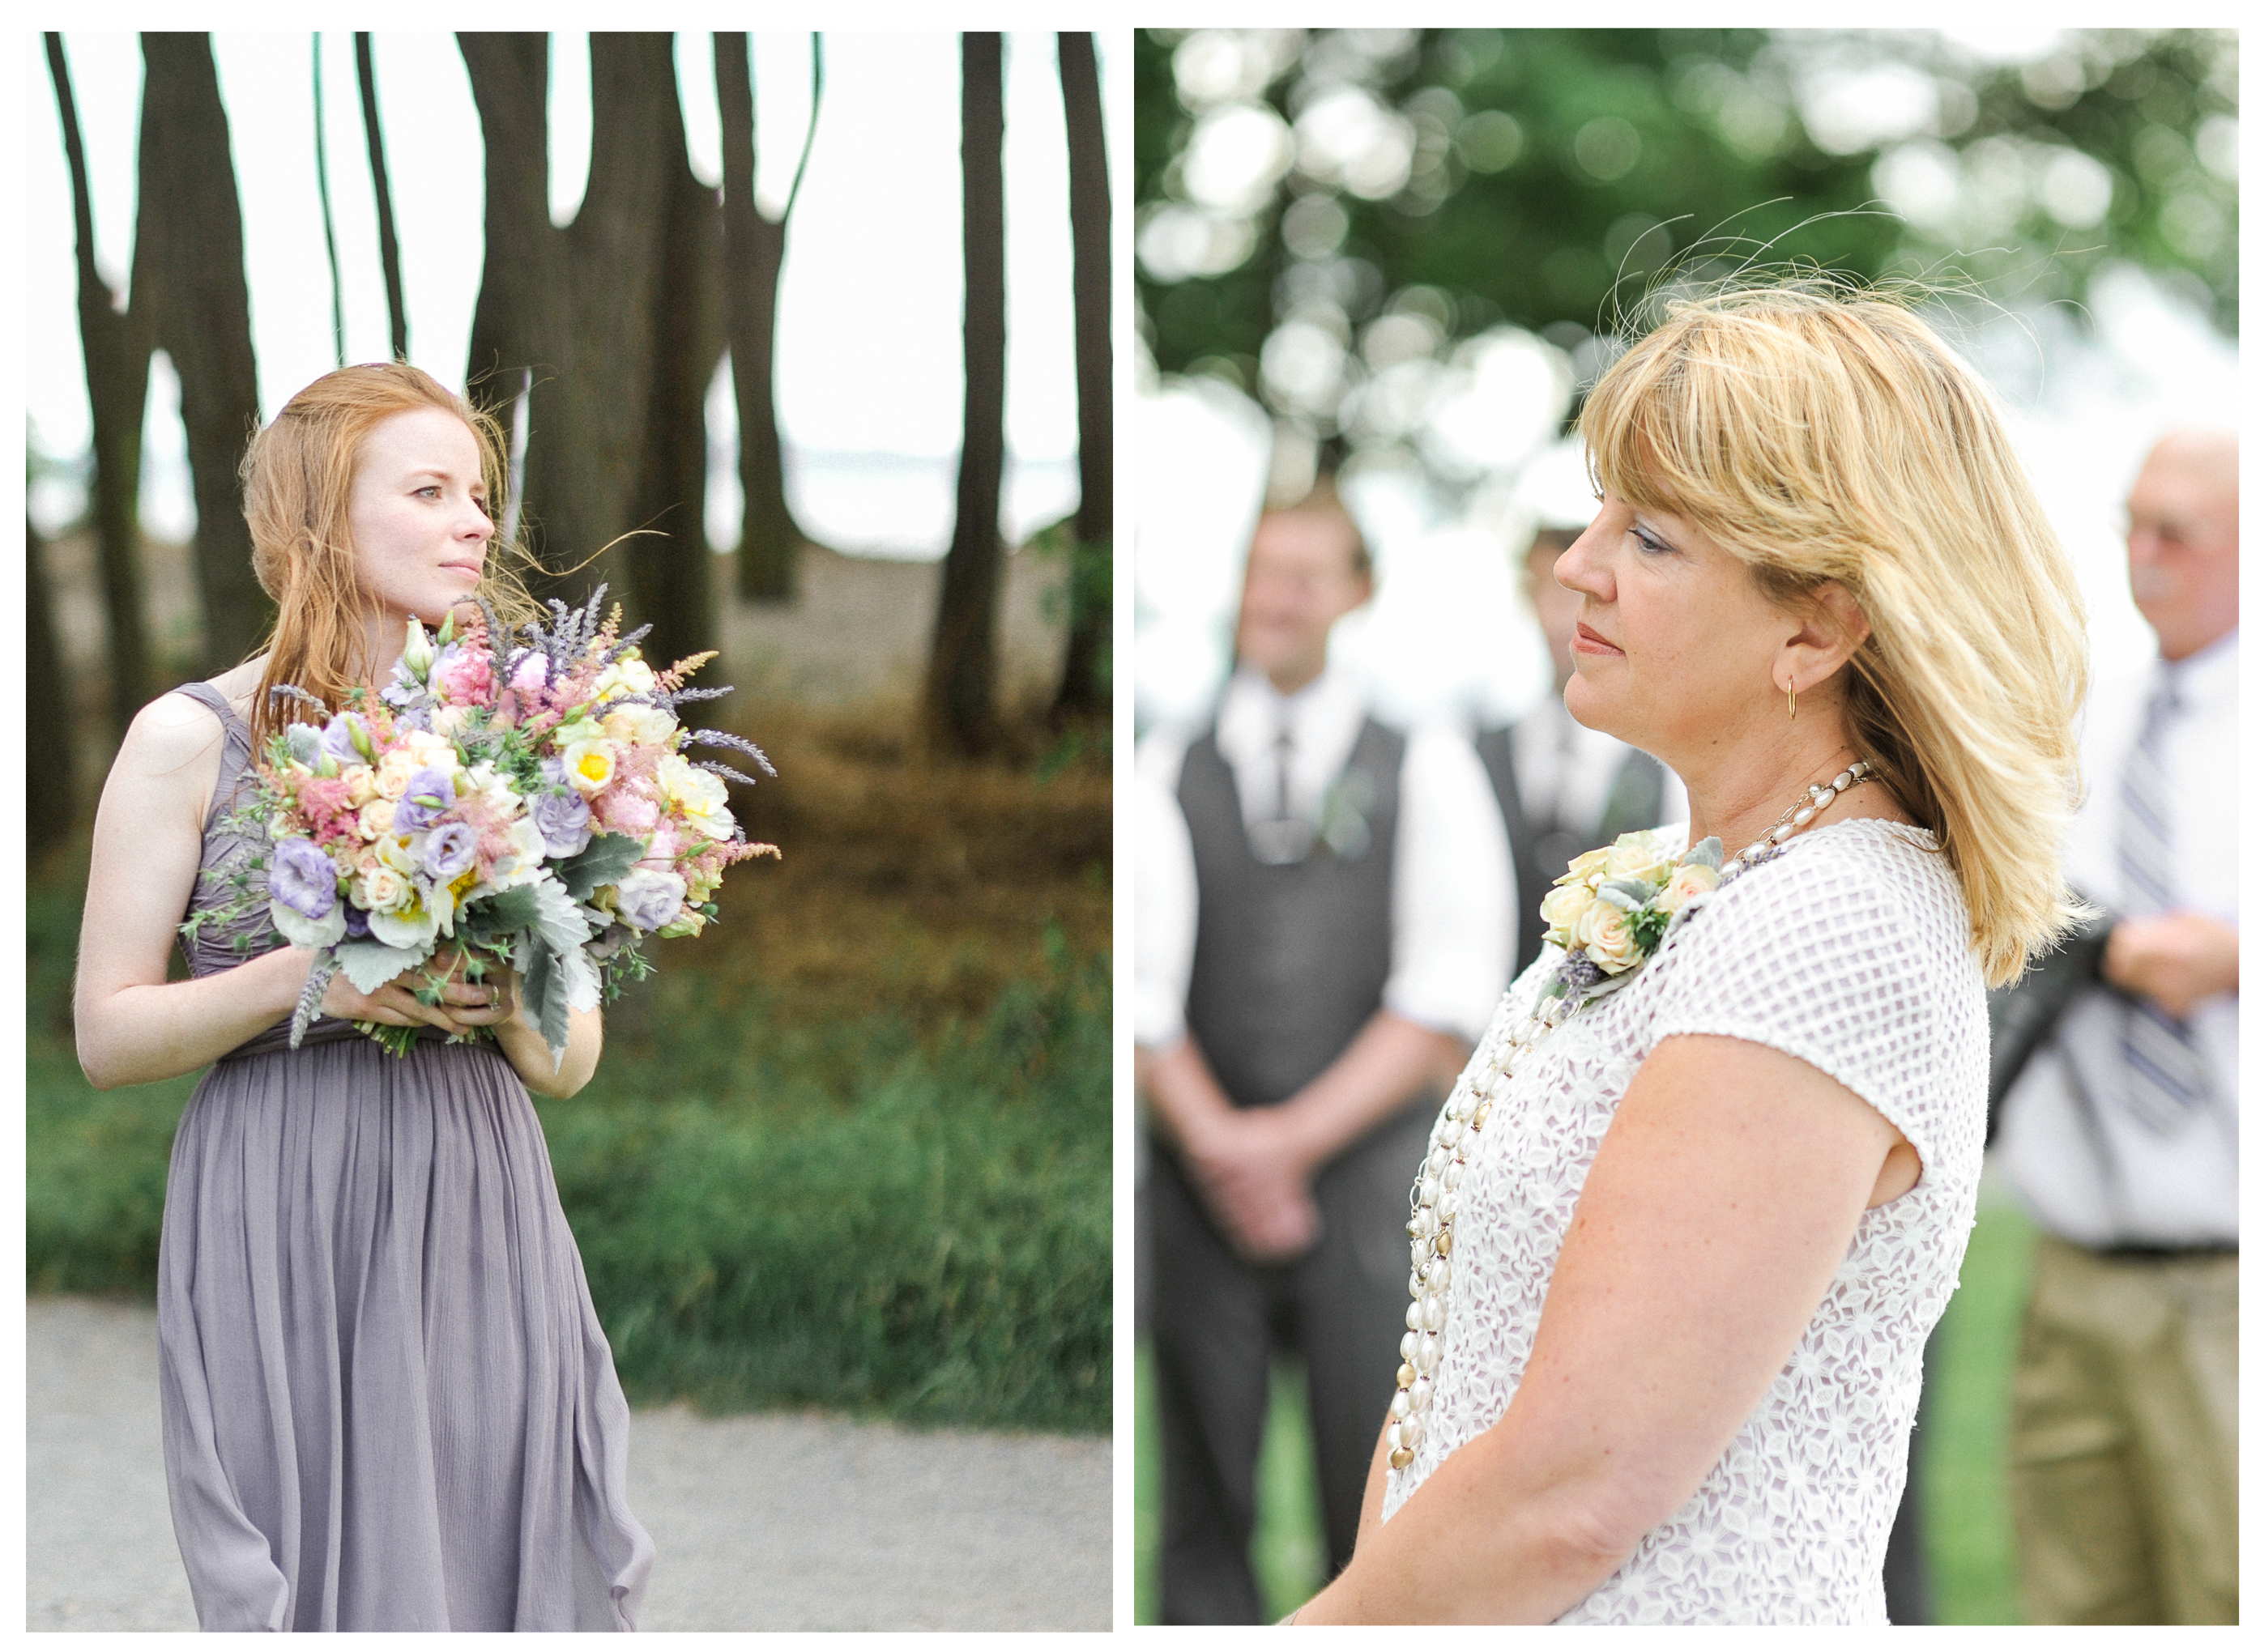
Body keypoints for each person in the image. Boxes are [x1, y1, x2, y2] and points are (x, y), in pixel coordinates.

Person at [1287, 282, 2088, 1624]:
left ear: (1818, 628)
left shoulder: (1833, 927)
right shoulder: (1702, 883)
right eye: (1600, 513)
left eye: (1649, 536)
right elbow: (1462, 1381)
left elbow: (1569, 1497)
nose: (1575, 566)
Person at [74, 363, 655, 1630]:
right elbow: (107, 1034)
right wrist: (318, 979)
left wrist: (495, 987)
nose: (477, 524)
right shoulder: (186, 741)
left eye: (482, 495)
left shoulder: (524, 746)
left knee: (493, 1561)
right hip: (281, 1194)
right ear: (321, 515)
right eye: (432, 490)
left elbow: (569, 1062)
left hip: (474, 1194)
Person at [1135, 484, 1510, 1622]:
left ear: (1358, 594)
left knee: (1378, 1498)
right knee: (1202, 1507)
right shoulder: (1166, 760)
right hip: (1198, 1192)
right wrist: (1219, 1148)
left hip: (1372, 1192)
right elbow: (1141, 989)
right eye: (1263, 568)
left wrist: (1287, 1149)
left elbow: (1447, 994)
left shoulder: (1424, 761)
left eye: (1307, 574)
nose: (1277, 596)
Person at [1987, 428, 2237, 1625]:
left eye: (2175, 532)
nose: (2141, 557)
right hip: (2073, 1269)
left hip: (2231, 1281)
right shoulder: (2080, 728)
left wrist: (2237, 957)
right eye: (2131, 526)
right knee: (2078, 1605)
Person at [1474, 449, 1686, 979]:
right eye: (1550, 593)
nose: (1565, 618)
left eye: (1576, 596)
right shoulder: (1478, 749)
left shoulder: (1666, 761)